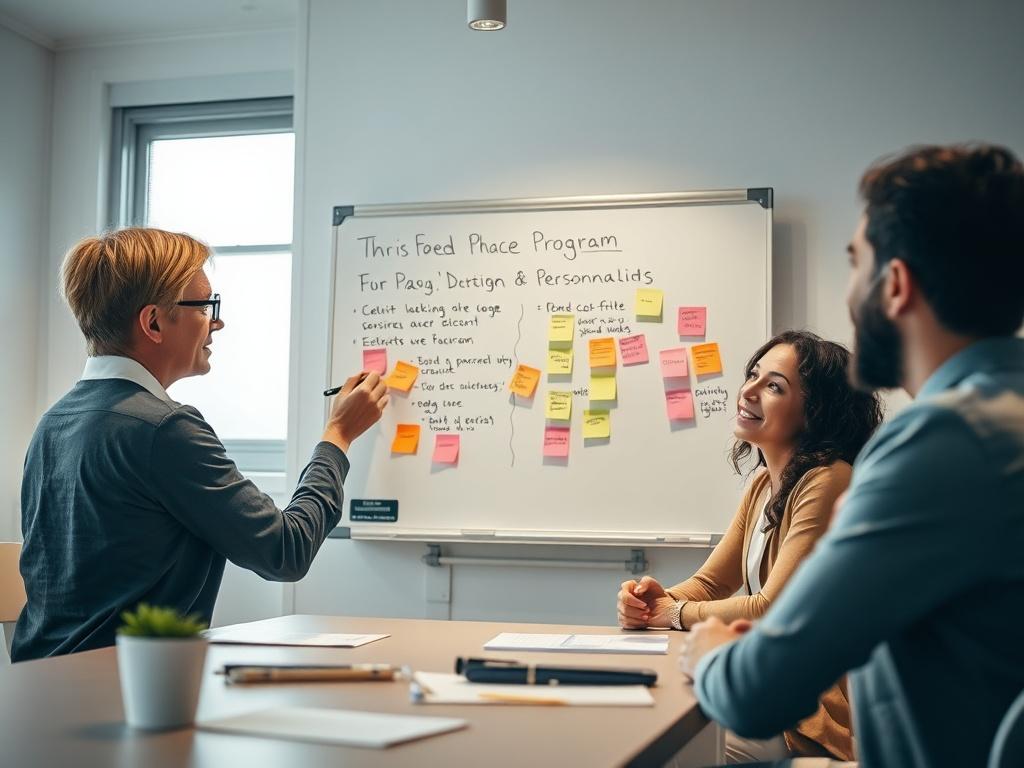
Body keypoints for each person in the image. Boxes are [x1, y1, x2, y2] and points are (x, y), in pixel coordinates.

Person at [680, 145, 1024, 768]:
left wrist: (706, 649)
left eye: (854, 264)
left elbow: (760, 690)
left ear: (893, 285)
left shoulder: (939, 444)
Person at [12, 228, 388, 662]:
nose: (217, 322)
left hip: (37, 687)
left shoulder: (54, 422)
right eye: (206, 306)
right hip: (125, 691)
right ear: (153, 322)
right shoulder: (162, 429)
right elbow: (285, 551)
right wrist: (338, 435)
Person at [618, 330, 881, 762]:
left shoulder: (827, 479)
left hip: (811, 712)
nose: (749, 390)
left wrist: (673, 612)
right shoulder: (764, 482)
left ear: (815, 412)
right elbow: (709, 582)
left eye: (774, 386)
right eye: (754, 375)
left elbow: (772, 609)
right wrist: (653, 602)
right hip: (775, 687)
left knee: (675, 750)